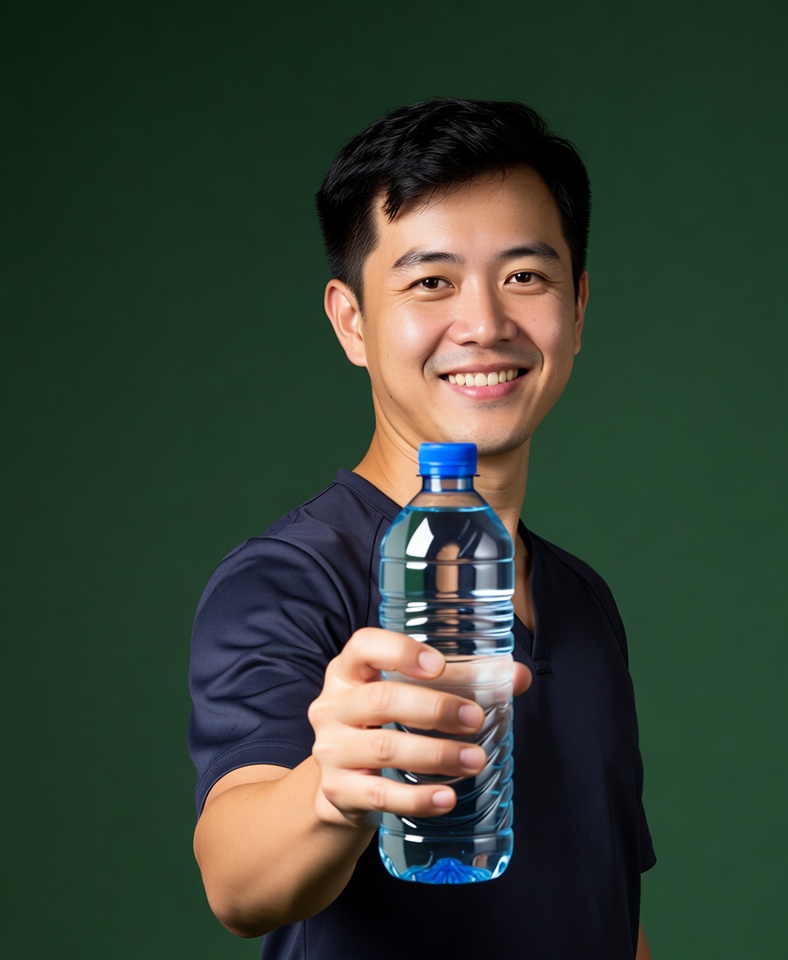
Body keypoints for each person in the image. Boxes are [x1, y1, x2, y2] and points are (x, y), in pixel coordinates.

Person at [189, 97, 656, 960]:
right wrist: (333, 792)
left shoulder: (584, 600)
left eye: (526, 276)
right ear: (352, 321)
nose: (483, 324)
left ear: (579, 307)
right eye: (430, 281)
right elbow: (236, 874)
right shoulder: (290, 579)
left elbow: (606, 910)